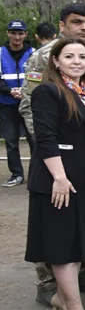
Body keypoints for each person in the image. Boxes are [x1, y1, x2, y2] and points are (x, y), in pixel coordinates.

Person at [21, 4, 85, 299]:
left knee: (81, 222)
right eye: (77, 22)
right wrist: (54, 153)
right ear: (62, 25)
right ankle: (49, 285)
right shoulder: (43, 56)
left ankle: (82, 271)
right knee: (55, 227)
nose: (84, 27)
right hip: (57, 157)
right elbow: (31, 108)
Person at [25, 37, 85, 310]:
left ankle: (62, 297)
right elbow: (45, 137)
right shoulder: (48, 91)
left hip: (84, 180)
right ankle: (74, 308)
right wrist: (59, 177)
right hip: (58, 181)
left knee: (76, 244)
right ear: (55, 61)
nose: (76, 62)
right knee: (61, 247)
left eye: (82, 57)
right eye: (69, 56)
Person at [0, 19, 35, 187]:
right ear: (8, 33)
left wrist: (26, 92)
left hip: (29, 104)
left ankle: (37, 173)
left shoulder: (33, 53)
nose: (17, 36)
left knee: (34, 139)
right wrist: (10, 91)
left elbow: (40, 77)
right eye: (13, 33)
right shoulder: (0, 53)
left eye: (20, 33)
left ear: (25, 34)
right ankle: (16, 174)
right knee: (11, 140)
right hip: (7, 103)